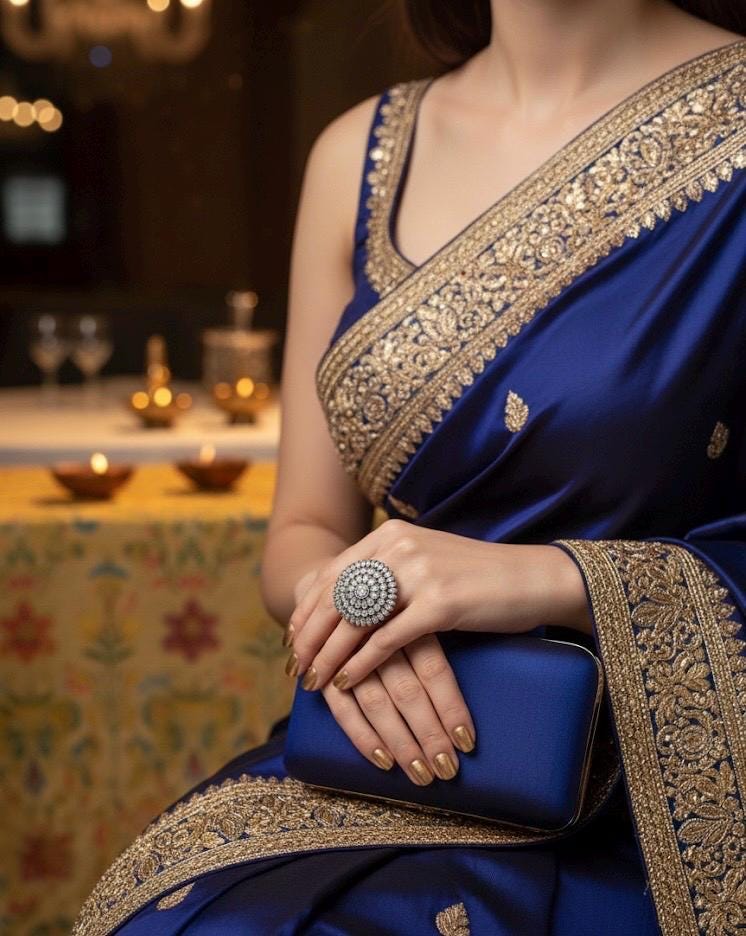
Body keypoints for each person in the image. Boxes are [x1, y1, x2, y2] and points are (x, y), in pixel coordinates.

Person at [75, 1, 746, 933]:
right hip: (388, 745)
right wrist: (360, 605)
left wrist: (540, 580)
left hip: (656, 771)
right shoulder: (359, 154)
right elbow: (303, 532)